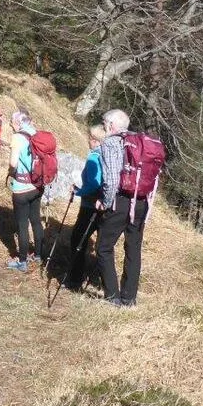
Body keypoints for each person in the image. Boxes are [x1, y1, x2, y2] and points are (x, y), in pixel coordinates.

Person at [96, 109, 147, 307]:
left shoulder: (111, 143)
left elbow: (111, 179)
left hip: (121, 201)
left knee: (104, 248)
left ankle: (112, 296)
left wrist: (106, 203)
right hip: (141, 201)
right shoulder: (140, 141)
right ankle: (129, 298)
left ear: (110, 125)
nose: (103, 127)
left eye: (104, 123)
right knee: (133, 248)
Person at [67, 124, 107, 290]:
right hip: (105, 205)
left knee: (78, 239)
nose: (88, 141)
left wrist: (78, 192)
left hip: (90, 205)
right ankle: (103, 281)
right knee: (103, 246)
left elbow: (94, 183)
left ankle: (75, 279)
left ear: (95, 140)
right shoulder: (108, 156)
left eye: (90, 138)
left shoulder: (93, 157)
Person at [6, 110, 44, 271]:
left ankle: (22, 262)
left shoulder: (17, 137)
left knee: (22, 224)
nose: (10, 125)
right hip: (37, 185)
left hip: (22, 187)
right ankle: (39, 255)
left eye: (12, 122)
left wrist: (10, 173)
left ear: (18, 122)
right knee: (35, 220)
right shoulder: (37, 133)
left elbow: (13, 163)